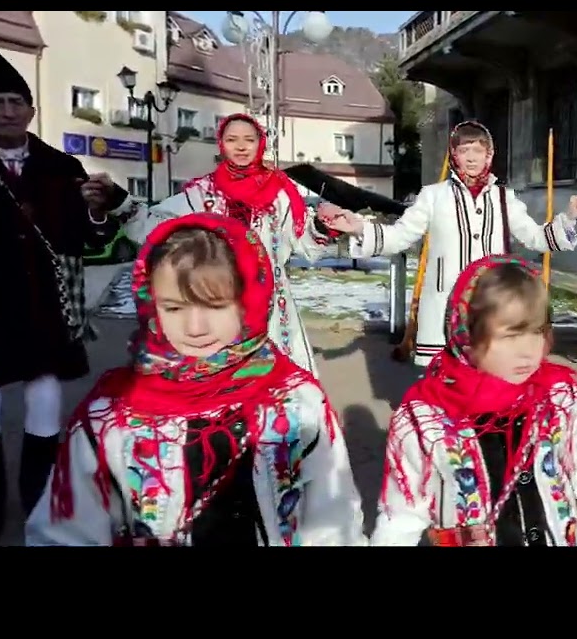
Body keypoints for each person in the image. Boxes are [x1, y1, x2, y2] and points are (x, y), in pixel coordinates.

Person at [25, 214, 366, 546]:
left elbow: (333, 519)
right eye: (174, 308)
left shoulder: (295, 401)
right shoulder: (111, 414)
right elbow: (67, 530)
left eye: (215, 306)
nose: (195, 328)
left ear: (248, 302)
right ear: (150, 304)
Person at [0, 44, 118, 544]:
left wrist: (96, 210)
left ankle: (36, 503)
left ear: (31, 109)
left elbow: (87, 238)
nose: (7, 111)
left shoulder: (61, 165)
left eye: (16, 102)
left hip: (43, 308)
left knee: (46, 403)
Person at [370, 254, 577, 545]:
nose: (528, 351)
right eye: (510, 336)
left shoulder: (557, 399)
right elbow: (401, 518)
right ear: (467, 335)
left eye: (537, 332)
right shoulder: (425, 420)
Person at [324, 121, 577, 367]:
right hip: (444, 308)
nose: (471, 158)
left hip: (491, 306)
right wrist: (358, 227)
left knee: (489, 387)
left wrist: (570, 216)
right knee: (446, 392)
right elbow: (400, 235)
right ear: (453, 154)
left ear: (489, 155)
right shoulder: (433, 196)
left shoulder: (503, 197)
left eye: (478, 150)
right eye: (464, 150)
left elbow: (536, 238)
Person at [85, 113, 337, 377]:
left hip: (272, 311)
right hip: (217, 301)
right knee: (223, 385)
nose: (241, 146)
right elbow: (158, 226)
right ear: (221, 144)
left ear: (260, 144)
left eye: (249, 139)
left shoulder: (280, 195)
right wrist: (118, 201)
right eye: (232, 139)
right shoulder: (203, 193)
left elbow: (303, 242)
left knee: (278, 386)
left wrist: (323, 225)